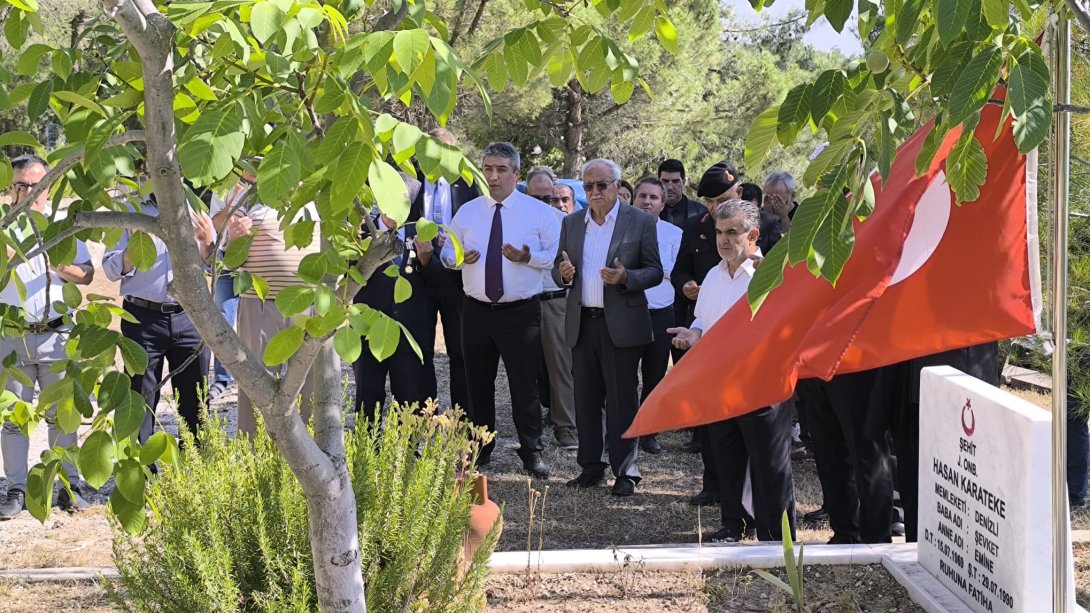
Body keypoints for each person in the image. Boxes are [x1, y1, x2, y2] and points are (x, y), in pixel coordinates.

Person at [668, 199, 796, 542]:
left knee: (769, 464)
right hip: (721, 383)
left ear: (753, 235)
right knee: (727, 456)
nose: (723, 240)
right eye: (719, 232)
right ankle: (734, 525)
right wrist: (692, 334)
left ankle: (776, 536)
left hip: (761, 384)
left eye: (732, 233)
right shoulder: (713, 274)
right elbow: (703, 321)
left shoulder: (769, 274)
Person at [441, 142, 558, 479]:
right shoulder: (468, 211)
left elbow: (556, 256)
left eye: (501, 169)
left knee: (525, 384)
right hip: (475, 310)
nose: (493, 176)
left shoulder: (539, 213)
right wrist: (458, 258)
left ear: (516, 174)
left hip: (520, 313)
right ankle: (481, 447)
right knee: (477, 383)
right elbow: (448, 253)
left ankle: (532, 452)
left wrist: (528, 258)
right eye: (488, 168)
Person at [554, 158, 663, 497]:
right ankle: (591, 466)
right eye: (588, 186)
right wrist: (564, 275)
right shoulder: (572, 223)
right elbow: (560, 271)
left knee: (622, 400)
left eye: (602, 185)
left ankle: (626, 470)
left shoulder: (639, 221)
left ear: (617, 185)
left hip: (621, 325)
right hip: (583, 323)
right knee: (585, 399)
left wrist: (626, 277)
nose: (595, 191)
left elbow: (655, 271)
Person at [0, 155, 96, 519]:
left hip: (58, 335)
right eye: (21, 184)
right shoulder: (3, 226)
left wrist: (61, 265)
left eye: (37, 185)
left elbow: (87, 275)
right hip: (12, 337)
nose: (29, 192)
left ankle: (67, 484)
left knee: (63, 415)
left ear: (49, 187)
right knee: (13, 418)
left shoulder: (64, 224)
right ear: (11, 188)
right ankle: (17, 488)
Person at [103, 179, 216, 444]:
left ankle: (195, 467)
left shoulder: (198, 210)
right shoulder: (129, 210)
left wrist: (206, 243)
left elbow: (215, 265)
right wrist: (132, 254)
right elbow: (109, 269)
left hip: (191, 317)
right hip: (143, 319)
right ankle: (142, 474)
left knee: (196, 397)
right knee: (140, 398)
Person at [220, 184, 321, 435]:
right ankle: (254, 457)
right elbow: (230, 264)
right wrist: (233, 239)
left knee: (310, 384)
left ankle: (308, 455)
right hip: (259, 306)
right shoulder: (250, 199)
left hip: (308, 307)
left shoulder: (317, 195)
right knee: (256, 381)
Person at [671, 161, 741, 502]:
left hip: (743, 343)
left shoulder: (766, 227)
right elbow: (680, 268)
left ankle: (742, 490)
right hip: (703, 326)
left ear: (739, 194)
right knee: (709, 417)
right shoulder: (695, 226)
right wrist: (686, 285)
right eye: (710, 202)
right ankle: (713, 483)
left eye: (723, 199)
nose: (716, 209)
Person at [353, 174, 438, 421]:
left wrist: (427, 260)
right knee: (367, 393)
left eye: (403, 203)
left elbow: (436, 283)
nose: (394, 210)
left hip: (410, 328)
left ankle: (410, 452)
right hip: (369, 326)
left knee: (411, 394)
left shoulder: (422, 234)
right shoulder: (359, 235)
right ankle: (366, 451)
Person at [794, 370, 894, 543]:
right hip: (813, 367)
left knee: (867, 453)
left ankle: (876, 538)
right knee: (828, 453)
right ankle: (845, 532)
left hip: (855, 365)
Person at [421, 128, 482, 413]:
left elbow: (482, 223)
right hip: (415, 276)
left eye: (444, 150)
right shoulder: (409, 182)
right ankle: (421, 421)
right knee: (419, 353)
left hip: (457, 277)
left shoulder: (467, 184)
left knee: (460, 352)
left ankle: (464, 422)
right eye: (431, 148)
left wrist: (461, 242)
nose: (437, 155)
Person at [525, 167, 577, 449]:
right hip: (521, 301)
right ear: (526, 194)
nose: (543, 203)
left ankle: (565, 426)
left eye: (549, 197)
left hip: (554, 300)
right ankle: (530, 429)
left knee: (561, 367)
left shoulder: (564, 222)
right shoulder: (515, 219)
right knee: (525, 370)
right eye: (537, 197)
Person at [629, 177, 681, 455]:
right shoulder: (621, 230)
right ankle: (624, 429)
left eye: (654, 198)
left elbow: (670, 270)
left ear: (662, 203)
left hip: (660, 313)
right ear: (634, 199)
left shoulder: (674, 234)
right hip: (627, 312)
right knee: (625, 376)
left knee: (654, 375)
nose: (647, 202)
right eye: (642, 196)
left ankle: (649, 432)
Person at [739, 182, 783, 255]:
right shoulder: (724, 221)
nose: (745, 213)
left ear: (759, 208)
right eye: (741, 208)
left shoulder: (771, 223)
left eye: (751, 210)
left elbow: (775, 255)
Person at [657, 159, 703, 229]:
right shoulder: (648, 211)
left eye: (675, 181)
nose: (669, 187)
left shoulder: (701, 212)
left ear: (684, 183)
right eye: (665, 181)